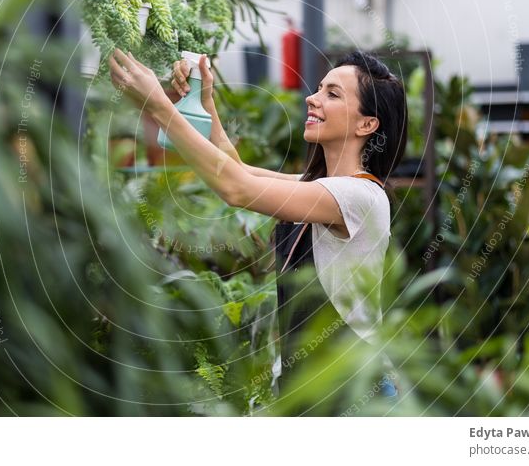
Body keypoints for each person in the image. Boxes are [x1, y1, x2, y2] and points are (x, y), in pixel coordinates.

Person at [108, 47, 408, 412]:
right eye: (318, 88)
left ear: (367, 125)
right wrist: (204, 103)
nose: (312, 99)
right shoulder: (320, 188)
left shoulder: (360, 196)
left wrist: (160, 108)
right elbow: (237, 169)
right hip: (314, 387)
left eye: (332, 94)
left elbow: (237, 189)